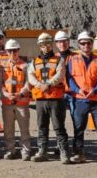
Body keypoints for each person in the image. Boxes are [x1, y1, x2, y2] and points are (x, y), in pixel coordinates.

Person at [67, 31, 97, 165]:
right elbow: (69, 78)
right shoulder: (72, 60)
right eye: (83, 43)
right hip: (80, 99)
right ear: (79, 44)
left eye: (88, 43)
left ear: (92, 44)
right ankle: (79, 153)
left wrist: (95, 90)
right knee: (79, 127)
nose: (86, 45)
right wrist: (78, 90)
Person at [27, 33, 70, 164]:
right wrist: (40, 85)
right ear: (40, 46)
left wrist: (49, 84)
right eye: (43, 45)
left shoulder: (59, 60)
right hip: (41, 99)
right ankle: (42, 151)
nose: (46, 47)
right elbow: (31, 76)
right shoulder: (34, 61)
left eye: (48, 44)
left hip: (55, 98)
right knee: (42, 126)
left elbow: (60, 74)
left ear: (52, 45)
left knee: (59, 126)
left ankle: (63, 152)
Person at [0, 39, 32, 161]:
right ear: (6, 52)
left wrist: (20, 93)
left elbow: (28, 83)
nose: (12, 53)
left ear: (18, 50)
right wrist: (6, 94)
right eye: (10, 51)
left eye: (15, 50)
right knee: (8, 129)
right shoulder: (2, 66)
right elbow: (0, 83)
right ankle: (10, 150)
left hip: (21, 102)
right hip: (7, 102)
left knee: (24, 129)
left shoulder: (25, 66)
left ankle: (26, 151)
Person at [55, 30, 79, 134]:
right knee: (59, 120)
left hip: (74, 93)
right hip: (59, 93)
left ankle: (77, 142)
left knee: (77, 119)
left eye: (64, 41)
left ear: (68, 42)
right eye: (60, 42)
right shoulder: (53, 58)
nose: (62, 44)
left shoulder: (77, 57)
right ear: (56, 44)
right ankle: (62, 142)